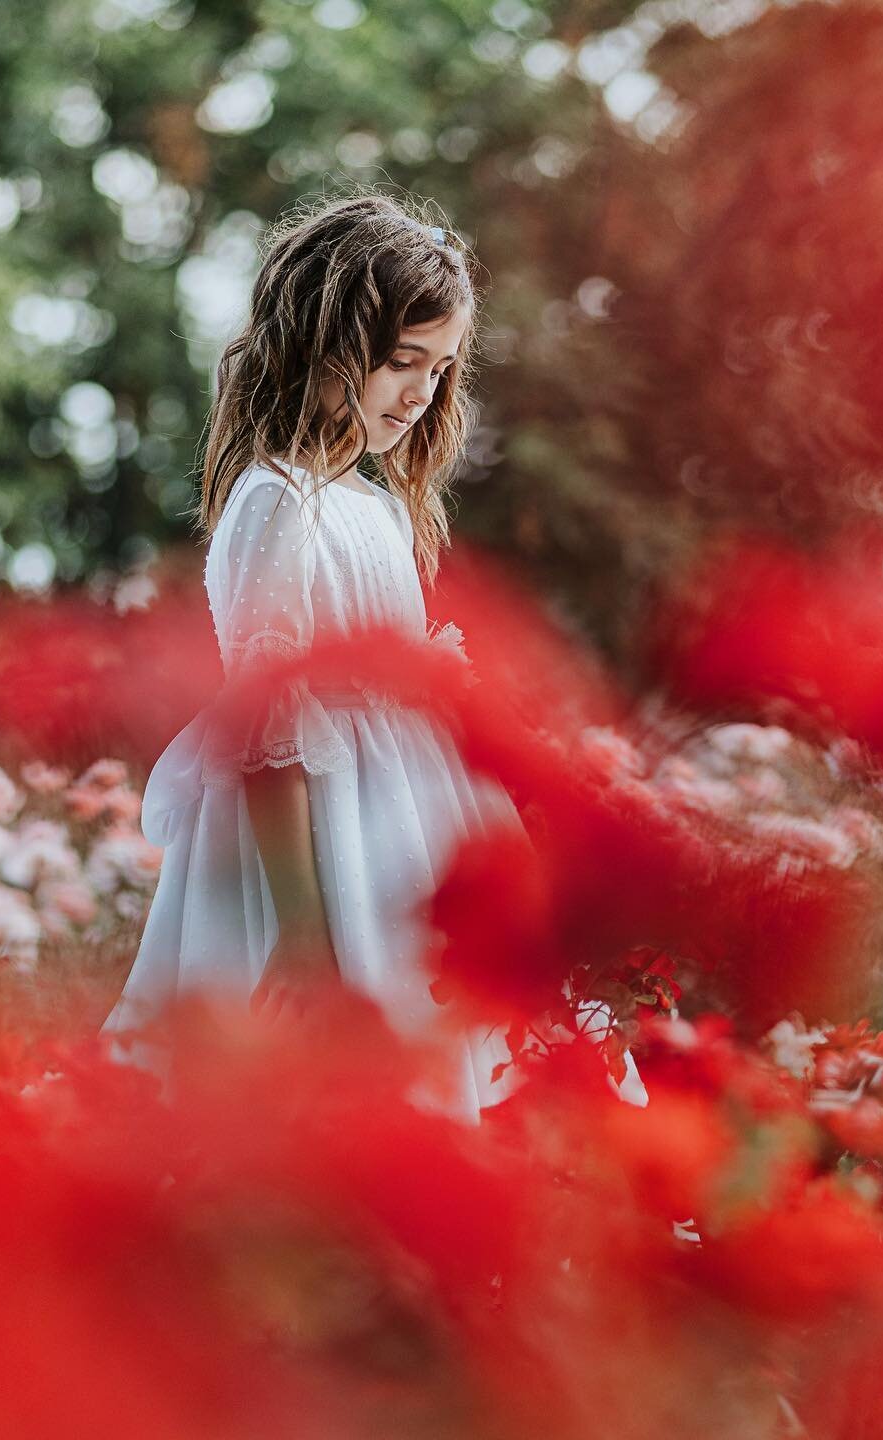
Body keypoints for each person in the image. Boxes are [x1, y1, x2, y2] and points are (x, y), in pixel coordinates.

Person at [100, 189, 645, 1119]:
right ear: (322, 346)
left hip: (410, 819)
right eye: (400, 362)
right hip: (326, 843)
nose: (421, 393)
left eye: (439, 368)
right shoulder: (274, 504)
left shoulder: (377, 504)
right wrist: (307, 936)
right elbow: (266, 737)